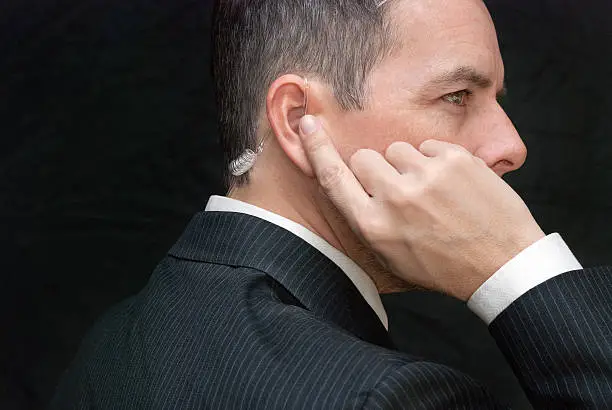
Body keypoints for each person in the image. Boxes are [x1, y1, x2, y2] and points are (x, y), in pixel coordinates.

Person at [50, 0, 612, 408]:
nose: (511, 146)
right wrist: (522, 273)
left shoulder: (117, 340)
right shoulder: (386, 397)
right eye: (457, 96)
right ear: (298, 120)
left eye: (496, 99)